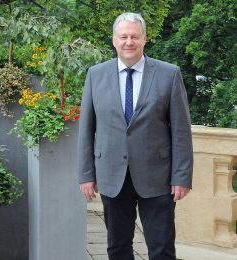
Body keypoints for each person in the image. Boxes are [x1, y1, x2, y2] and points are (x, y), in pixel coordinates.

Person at [78, 13, 193, 260]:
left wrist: (181, 177)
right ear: (114, 40)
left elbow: (181, 131)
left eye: (134, 36)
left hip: (158, 177)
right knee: (117, 248)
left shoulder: (169, 74)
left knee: (161, 248)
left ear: (144, 39)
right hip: (111, 176)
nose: (129, 41)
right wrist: (86, 174)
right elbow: (86, 129)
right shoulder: (95, 75)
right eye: (123, 36)